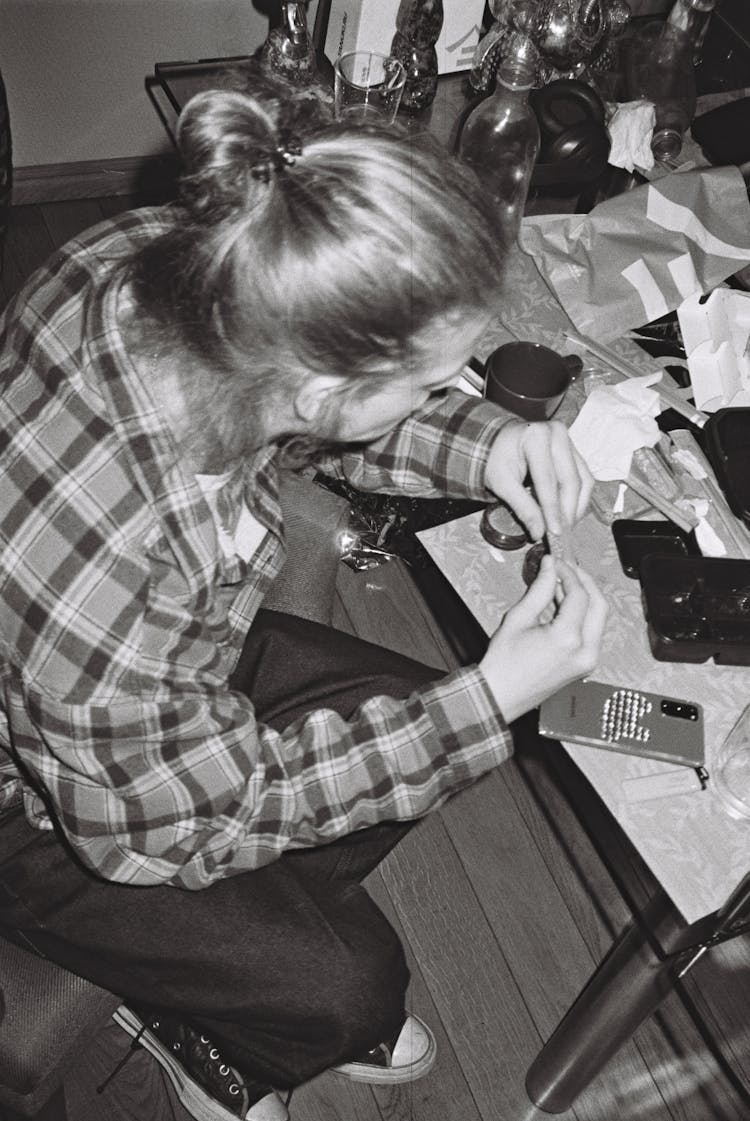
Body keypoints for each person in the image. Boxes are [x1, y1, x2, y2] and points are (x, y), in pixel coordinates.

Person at [0, 70, 607, 1121]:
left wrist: (490, 440)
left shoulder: (182, 260)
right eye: (432, 385)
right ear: (332, 391)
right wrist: (487, 701)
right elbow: (159, 833)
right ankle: (210, 1036)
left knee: (406, 707)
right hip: (57, 806)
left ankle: (236, 953)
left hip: (154, 687)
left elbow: (318, 388)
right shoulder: (117, 552)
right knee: (352, 986)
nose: (440, 399)